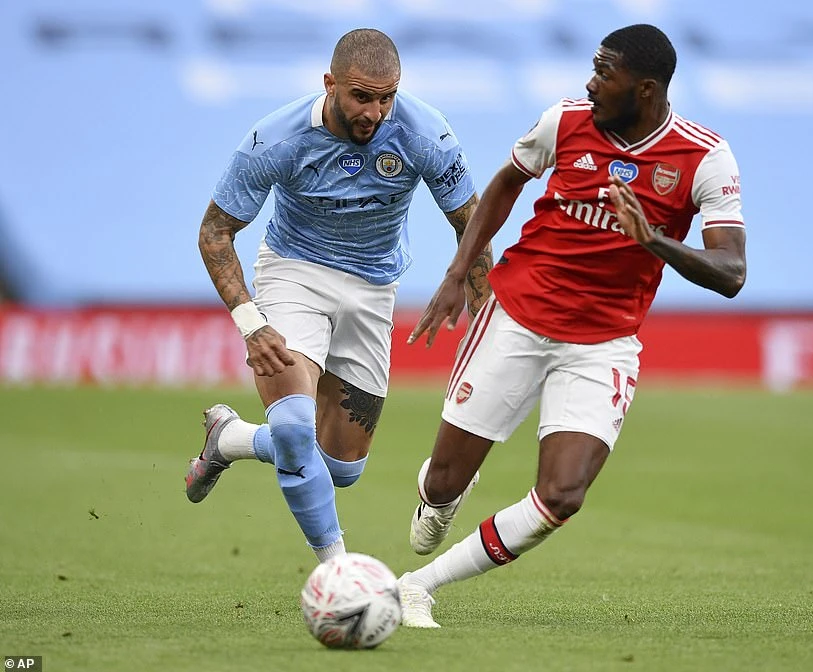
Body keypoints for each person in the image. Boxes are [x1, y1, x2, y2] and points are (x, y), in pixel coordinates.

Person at [396, 23, 746, 627]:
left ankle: (419, 586)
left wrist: (654, 240)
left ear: (645, 89)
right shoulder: (564, 121)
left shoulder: (704, 158)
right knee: (445, 481)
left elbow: (732, 272)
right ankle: (441, 494)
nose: (590, 83)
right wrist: (457, 274)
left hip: (603, 344)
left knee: (562, 495)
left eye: (604, 73)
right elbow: (506, 184)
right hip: (516, 317)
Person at [183, 28, 493, 565]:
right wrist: (251, 322)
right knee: (293, 429)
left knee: (341, 468)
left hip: (373, 287)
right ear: (329, 84)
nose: (374, 112)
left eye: (386, 98)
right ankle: (340, 574)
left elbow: (473, 223)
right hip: (294, 274)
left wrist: (480, 317)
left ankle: (229, 438)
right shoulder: (277, 139)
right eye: (361, 97)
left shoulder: (425, 134)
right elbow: (215, 232)